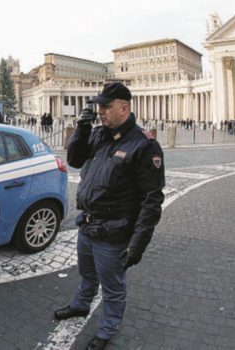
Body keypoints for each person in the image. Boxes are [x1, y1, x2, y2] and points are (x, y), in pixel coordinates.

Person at [57, 82, 165, 350]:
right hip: (88, 224)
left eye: (106, 106)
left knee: (113, 286)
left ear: (124, 108)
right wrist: (81, 130)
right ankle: (81, 305)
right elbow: (75, 160)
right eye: (98, 106)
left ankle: (107, 329)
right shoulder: (97, 134)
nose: (100, 111)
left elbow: (152, 201)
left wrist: (137, 245)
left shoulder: (144, 145)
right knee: (87, 273)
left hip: (114, 231)